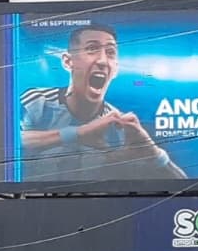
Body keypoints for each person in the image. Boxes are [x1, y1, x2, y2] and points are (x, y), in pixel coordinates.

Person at [19, 24, 187, 181]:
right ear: (68, 61)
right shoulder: (37, 100)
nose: (102, 61)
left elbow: (187, 187)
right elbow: (5, 145)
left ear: (116, 69)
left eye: (110, 52)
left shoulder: (120, 127)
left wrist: (154, 155)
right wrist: (79, 133)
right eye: (92, 49)